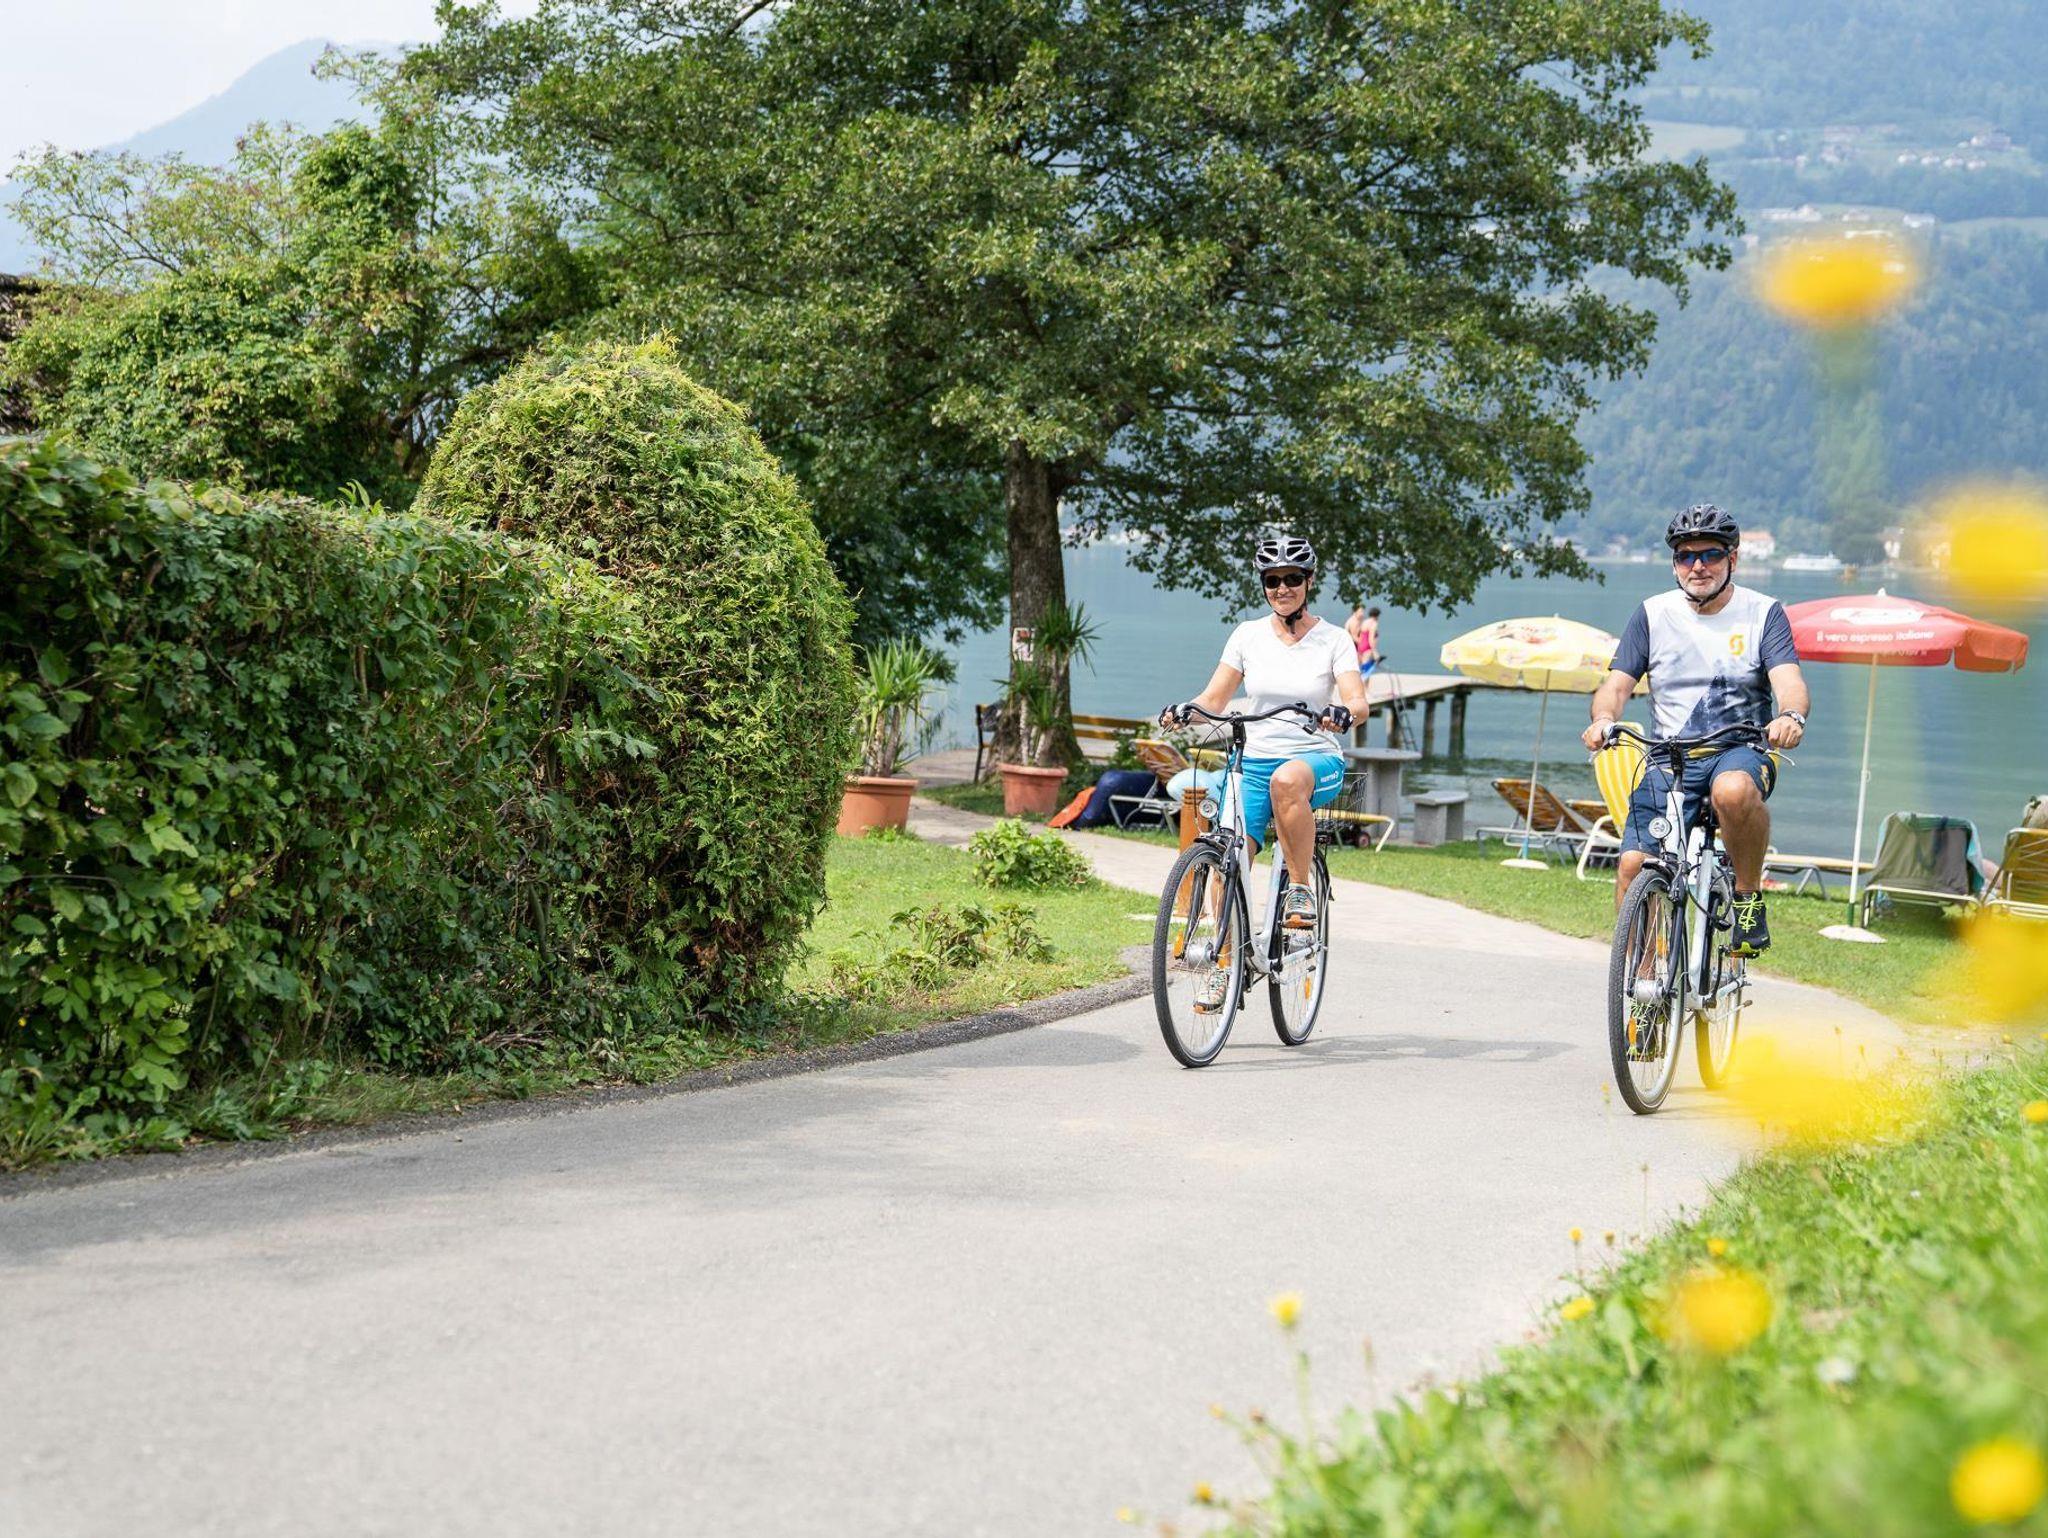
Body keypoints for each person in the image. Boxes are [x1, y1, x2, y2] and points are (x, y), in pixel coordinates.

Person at [1580, 504, 1810, 956]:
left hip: (1739, 749)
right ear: (1674, 564)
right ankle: (1643, 978)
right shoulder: (1652, 614)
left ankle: (1747, 900)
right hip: (1669, 758)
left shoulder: (1762, 613)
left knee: (1732, 791)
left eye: (1710, 554)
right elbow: (1616, 686)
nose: (1697, 566)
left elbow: (1790, 682)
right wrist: (1603, 719)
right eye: (1685, 556)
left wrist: (1790, 716)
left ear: (1733, 559)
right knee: (1632, 864)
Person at [1162, 534, 1368, 1011]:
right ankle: (1224, 966)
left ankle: (1300, 890)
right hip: (1252, 760)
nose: (1282, 588)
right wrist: (1186, 711)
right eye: (1273, 581)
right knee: (1227, 858)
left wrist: (1343, 713)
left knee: (1287, 781)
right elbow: (1215, 699)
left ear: (1309, 582)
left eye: (1292, 578)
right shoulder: (1247, 635)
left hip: (1314, 758)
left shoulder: (1334, 640)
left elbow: (1358, 701)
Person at [1345, 604, 1383, 677]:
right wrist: (1375, 652)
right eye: (1361, 611)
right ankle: (1364, 684)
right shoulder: (1373, 623)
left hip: (1360, 646)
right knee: (1366, 671)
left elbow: (1359, 634)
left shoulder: (1364, 622)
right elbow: (1370, 638)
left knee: (1359, 668)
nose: (1362, 613)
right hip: (1366, 646)